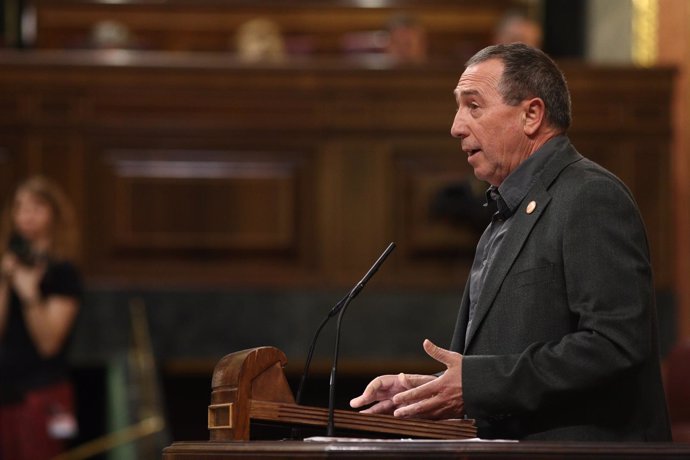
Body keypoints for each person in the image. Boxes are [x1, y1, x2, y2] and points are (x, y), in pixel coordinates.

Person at [350, 43, 672, 441]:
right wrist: (428, 391)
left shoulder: (590, 197)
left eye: (473, 105)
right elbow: (502, 359)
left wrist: (475, 386)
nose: (456, 126)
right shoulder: (506, 213)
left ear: (531, 114)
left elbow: (615, 345)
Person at [0, 176, 83, 459]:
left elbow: (48, 344)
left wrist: (29, 295)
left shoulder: (63, 273)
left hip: (43, 392)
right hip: (6, 389)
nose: (26, 215)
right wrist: (4, 282)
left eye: (36, 207)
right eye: (19, 207)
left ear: (53, 214)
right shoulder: (8, 266)